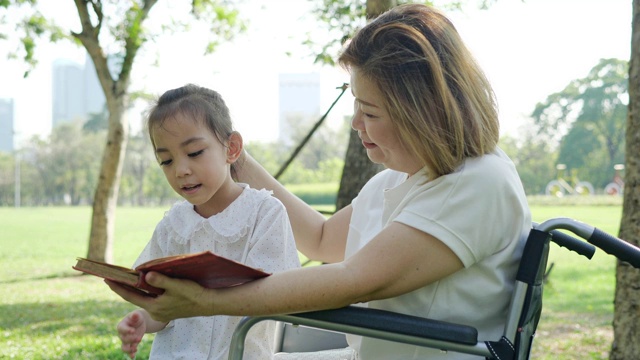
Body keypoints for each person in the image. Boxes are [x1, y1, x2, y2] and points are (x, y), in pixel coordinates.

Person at [108, 4, 531, 359]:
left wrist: (205, 303)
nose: (355, 123)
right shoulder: (404, 180)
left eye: (370, 112)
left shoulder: (477, 184)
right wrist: (224, 156)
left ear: (421, 110)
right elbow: (321, 238)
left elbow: (352, 279)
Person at [115, 84, 300, 360]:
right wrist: (144, 319)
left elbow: (277, 298)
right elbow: (163, 307)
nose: (181, 170)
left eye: (194, 153)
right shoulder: (173, 226)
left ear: (232, 148)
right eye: (166, 161)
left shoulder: (264, 214)